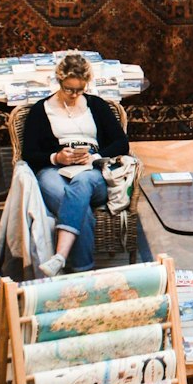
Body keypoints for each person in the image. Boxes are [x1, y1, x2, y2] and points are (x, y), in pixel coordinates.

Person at [22, 52, 130, 277]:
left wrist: (94, 156)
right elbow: (29, 153)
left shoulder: (97, 106)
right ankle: (84, 272)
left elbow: (122, 142)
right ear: (59, 81)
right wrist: (56, 157)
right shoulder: (41, 110)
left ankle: (60, 257)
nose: (74, 95)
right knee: (79, 208)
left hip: (92, 169)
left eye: (80, 90)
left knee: (81, 182)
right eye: (69, 89)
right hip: (54, 169)